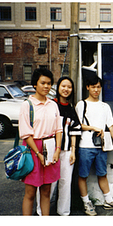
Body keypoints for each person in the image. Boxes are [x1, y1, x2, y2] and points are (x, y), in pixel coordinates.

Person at [75, 75, 113, 216]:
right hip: (85, 145)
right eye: (93, 87)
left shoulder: (105, 106)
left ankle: (108, 200)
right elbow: (78, 125)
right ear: (87, 87)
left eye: (98, 87)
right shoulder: (81, 104)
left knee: (102, 174)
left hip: (101, 146)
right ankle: (86, 202)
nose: (96, 90)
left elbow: (111, 126)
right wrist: (94, 128)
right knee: (83, 175)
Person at [19, 68, 62, 216]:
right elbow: (25, 133)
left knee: (46, 190)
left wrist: (57, 150)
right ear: (35, 84)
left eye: (49, 83)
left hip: (50, 148)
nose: (46, 86)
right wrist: (38, 153)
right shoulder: (27, 105)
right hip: (32, 149)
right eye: (43, 83)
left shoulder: (53, 105)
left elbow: (58, 130)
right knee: (30, 192)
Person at [36, 76, 82, 216]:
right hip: (50, 150)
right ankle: (41, 212)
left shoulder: (71, 109)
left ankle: (64, 213)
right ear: (58, 88)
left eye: (69, 87)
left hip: (67, 151)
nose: (66, 89)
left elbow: (74, 131)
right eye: (63, 86)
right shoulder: (50, 105)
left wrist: (73, 151)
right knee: (48, 183)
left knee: (65, 182)